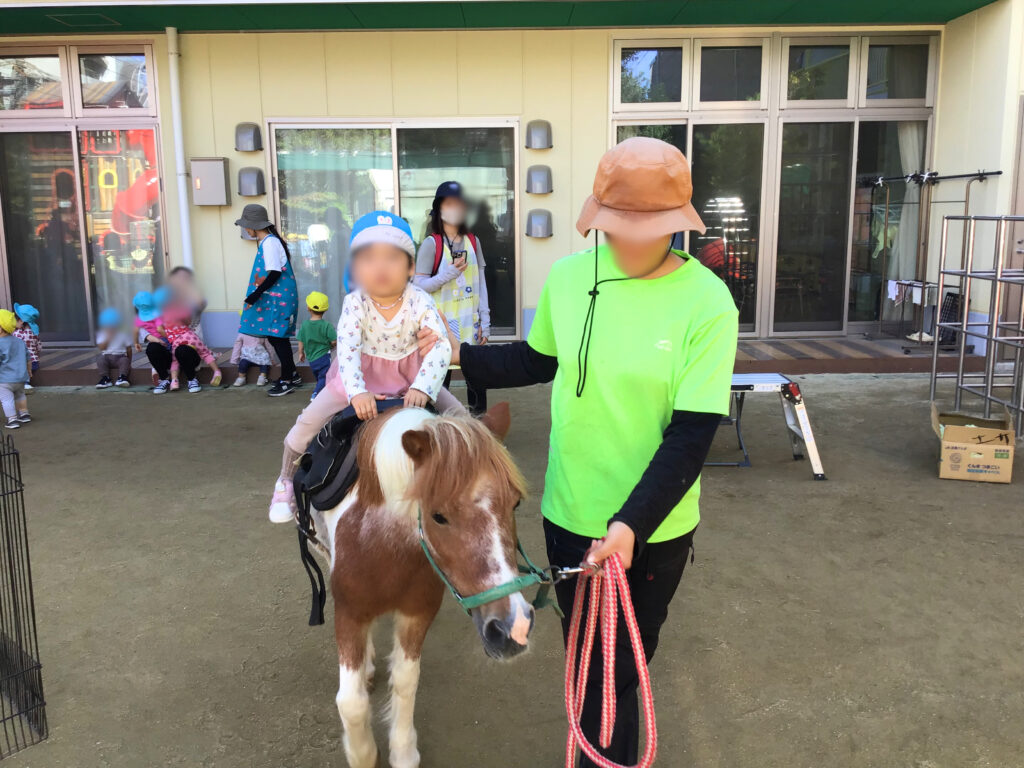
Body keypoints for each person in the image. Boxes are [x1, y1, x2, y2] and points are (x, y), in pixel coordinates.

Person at [420, 138, 738, 767]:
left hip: (651, 534)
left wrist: (630, 525)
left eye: (649, 226)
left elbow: (692, 434)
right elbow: (538, 359)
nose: (631, 239)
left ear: (677, 222)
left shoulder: (707, 302)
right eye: (620, 226)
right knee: (587, 665)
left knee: (616, 675)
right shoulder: (568, 279)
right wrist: (452, 356)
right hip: (569, 517)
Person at [267, 211, 463, 524]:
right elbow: (347, 347)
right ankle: (285, 480)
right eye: (369, 258)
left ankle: (473, 478)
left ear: (410, 266)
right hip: (359, 375)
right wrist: (357, 392)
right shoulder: (356, 302)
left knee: (462, 419)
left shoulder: (421, 300)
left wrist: (423, 387)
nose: (381, 267)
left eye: (392, 257)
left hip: (412, 377)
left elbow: (439, 345)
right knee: (307, 424)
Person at [414, 181, 490, 414]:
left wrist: (485, 321)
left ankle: (479, 433)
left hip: (471, 323)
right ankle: (436, 433)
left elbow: (481, 282)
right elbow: (418, 287)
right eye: (449, 204)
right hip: (441, 325)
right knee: (439, 382)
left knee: (477, 380)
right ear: (439, 209)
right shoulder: (431, 244)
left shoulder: (473, 241)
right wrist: (448, 274)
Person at [235, 204, 300, 397]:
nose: (245, 229)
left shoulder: (270, 243)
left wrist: (255, 295)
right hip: (276, 298)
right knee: (277, 337)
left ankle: (287, 380)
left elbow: (274, 273)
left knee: (278, 338)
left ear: (254, 225)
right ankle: (292, 374)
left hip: (277, 299)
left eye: (246, 225)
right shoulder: (268, 242)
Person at [135, 288, 203, 396]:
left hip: (188, 354)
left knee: (182, 349)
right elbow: (145, 334)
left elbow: (196, 340)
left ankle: (191, 378)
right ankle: (164, 378)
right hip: (169, 355)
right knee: (152, 348)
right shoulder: (152, 318)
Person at [163, 305, 221, 393]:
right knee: (205, 353)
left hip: (176, 341)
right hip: (190, 336)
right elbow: (188, 321)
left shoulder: (163, 316)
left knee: (175, 361)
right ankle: (217, 371)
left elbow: (160, 330)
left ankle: (174, 381)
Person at [296, 291, 336, 400]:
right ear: (325, 309)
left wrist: (300, 353)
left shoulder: (304, 325)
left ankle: (321, 392)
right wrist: (332, 345)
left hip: (311, 358)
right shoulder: (327, 325)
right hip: (323, 356)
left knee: (319, 376)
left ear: (308, 308)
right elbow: (334, 341)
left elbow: (300, 340)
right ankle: (316, 394)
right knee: (324, 376)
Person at [0, 310, 31, 429]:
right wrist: (29, 371)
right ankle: (24, 414)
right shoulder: (19, 341)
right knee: (20, 396)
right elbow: (28, 358)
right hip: (21, 377)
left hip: (4, 380)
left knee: (6, 399)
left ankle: (12, 419)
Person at [95, 307, 133, 388]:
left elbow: (129, 348)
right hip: (106, 356)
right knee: (100, 360)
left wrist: (129, 362)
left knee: (125, 360)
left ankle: (122, 377)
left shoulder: (123, 334)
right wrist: (108, 337)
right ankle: (105, 378)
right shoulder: (102, 334)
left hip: (120, 356)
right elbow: (102, 348)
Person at [13, 303, 41, 392]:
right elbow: (39, 347)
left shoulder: (16, 333)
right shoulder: (34, 333)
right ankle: (26, 382)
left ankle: (24, 383)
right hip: (35, 362)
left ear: (21, 321)